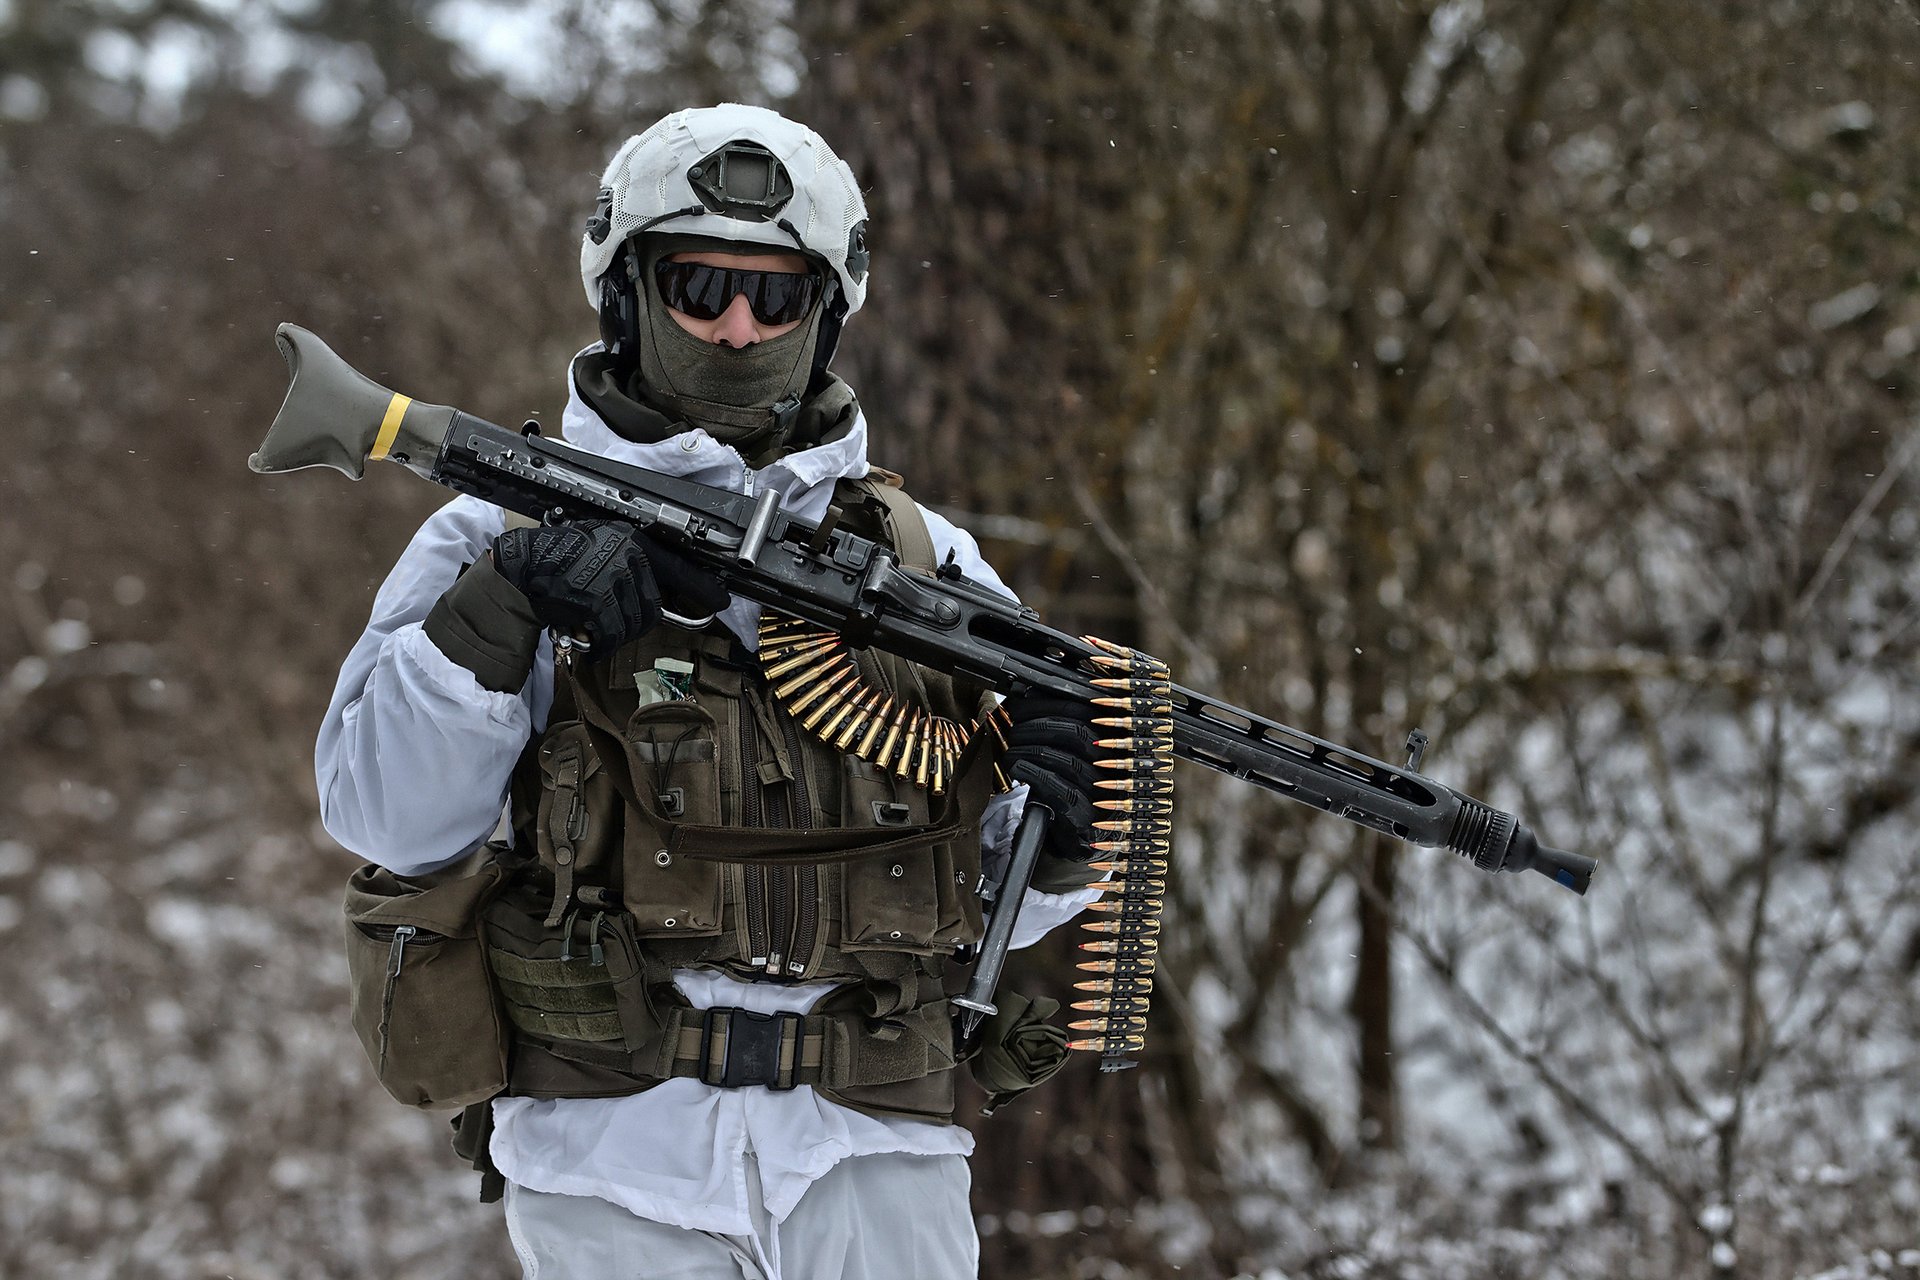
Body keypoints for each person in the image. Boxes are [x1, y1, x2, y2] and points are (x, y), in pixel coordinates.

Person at [316, 104, 1105, 1280]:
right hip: (610, 1149)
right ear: (626, 290)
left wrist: (1063, 827)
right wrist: (501, 606)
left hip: (877, 1155)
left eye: (777, 295)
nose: (738, 329)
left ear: (828, 310)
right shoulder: (499, 526)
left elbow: (981, 896)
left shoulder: (927, 562)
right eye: (699, 284)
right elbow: (385, 820)